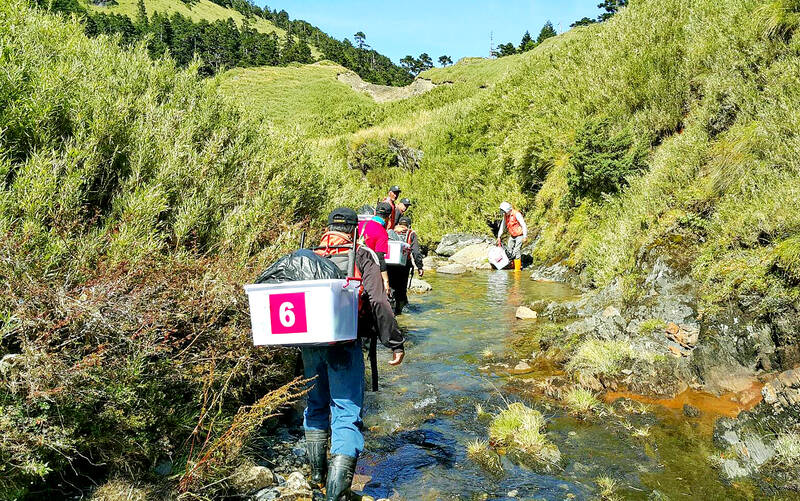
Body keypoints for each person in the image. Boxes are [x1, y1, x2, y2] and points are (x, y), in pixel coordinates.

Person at [310, 208, 405, 500]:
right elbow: (378, 300)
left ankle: (316, 480)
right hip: (345, 344)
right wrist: (394, 341)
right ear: (355, 230)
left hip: (309, 344)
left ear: (327, 227)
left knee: (315, 406)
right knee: (346, 413)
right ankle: (336, 494)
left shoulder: (309, 255)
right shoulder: (361, 255)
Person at [388, 216, 424, 315]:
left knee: (390, 286)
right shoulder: (411, 233)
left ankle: (390, 310)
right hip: (404, 264)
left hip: (390, 264)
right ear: (409, 225)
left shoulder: (391, 231)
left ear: (398, 224)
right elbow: (416, 252)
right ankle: (400, 310)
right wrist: (420, 267)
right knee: (401, 288)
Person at [358, 202, 393, 297]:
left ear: (374, 213)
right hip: (368, 267)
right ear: (389, 217)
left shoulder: (361, 224)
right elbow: (380, 258)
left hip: (355, 266)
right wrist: (386, 282)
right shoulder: (382, 232)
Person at [497, 201, 528, 271]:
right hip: (512, 235)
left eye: (503, 210)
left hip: (520, 235)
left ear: (507, 209)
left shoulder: (516, 214)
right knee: (509, 249)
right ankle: (512, 265)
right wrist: (499, 236)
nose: (502, 212)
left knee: (516, 251)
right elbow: (502, 226)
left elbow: (523, 225)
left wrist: (525, 236)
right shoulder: (505, 215)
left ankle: (517, 269)